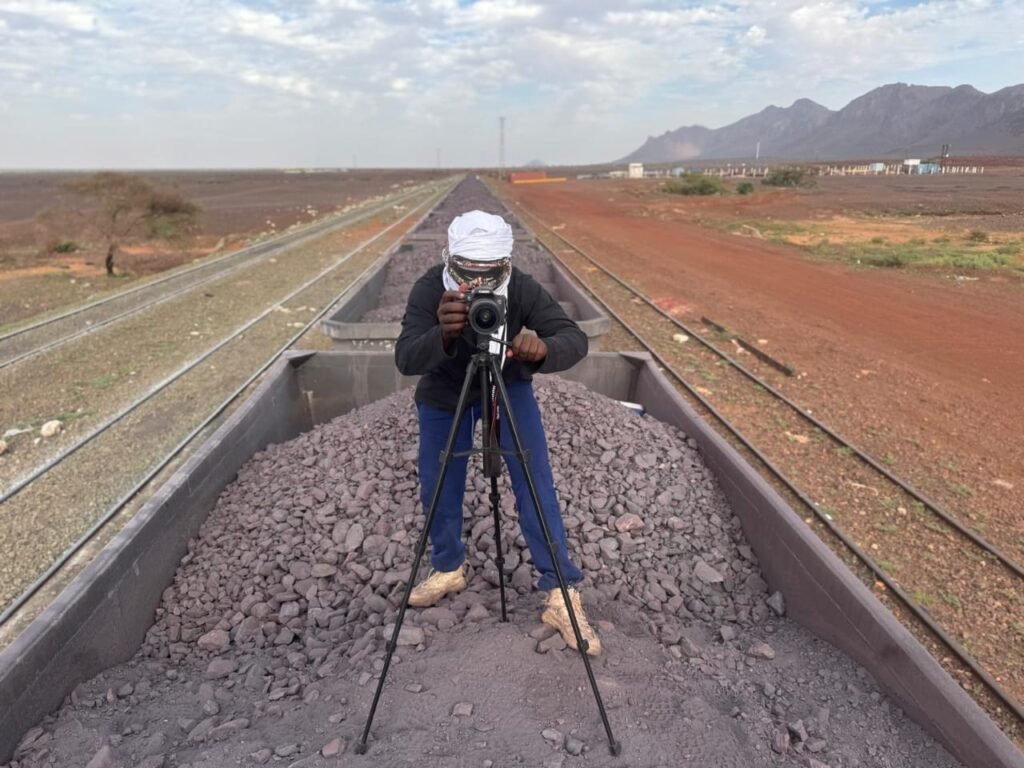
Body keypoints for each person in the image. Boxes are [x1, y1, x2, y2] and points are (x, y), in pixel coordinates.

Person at [394, 209, 601, 655]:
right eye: (467, 270)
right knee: (437, 481)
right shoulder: (431, 288)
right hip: (446, 391)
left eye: (490, 272)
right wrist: (442, 335)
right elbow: (406, 358)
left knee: (534, 480)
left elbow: (573, 338)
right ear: (449, 258)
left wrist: (543, 348)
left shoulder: (522, 287)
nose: (477, 283)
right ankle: (448, 566)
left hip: (507, 382)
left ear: (506, 264)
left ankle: (562, 593)